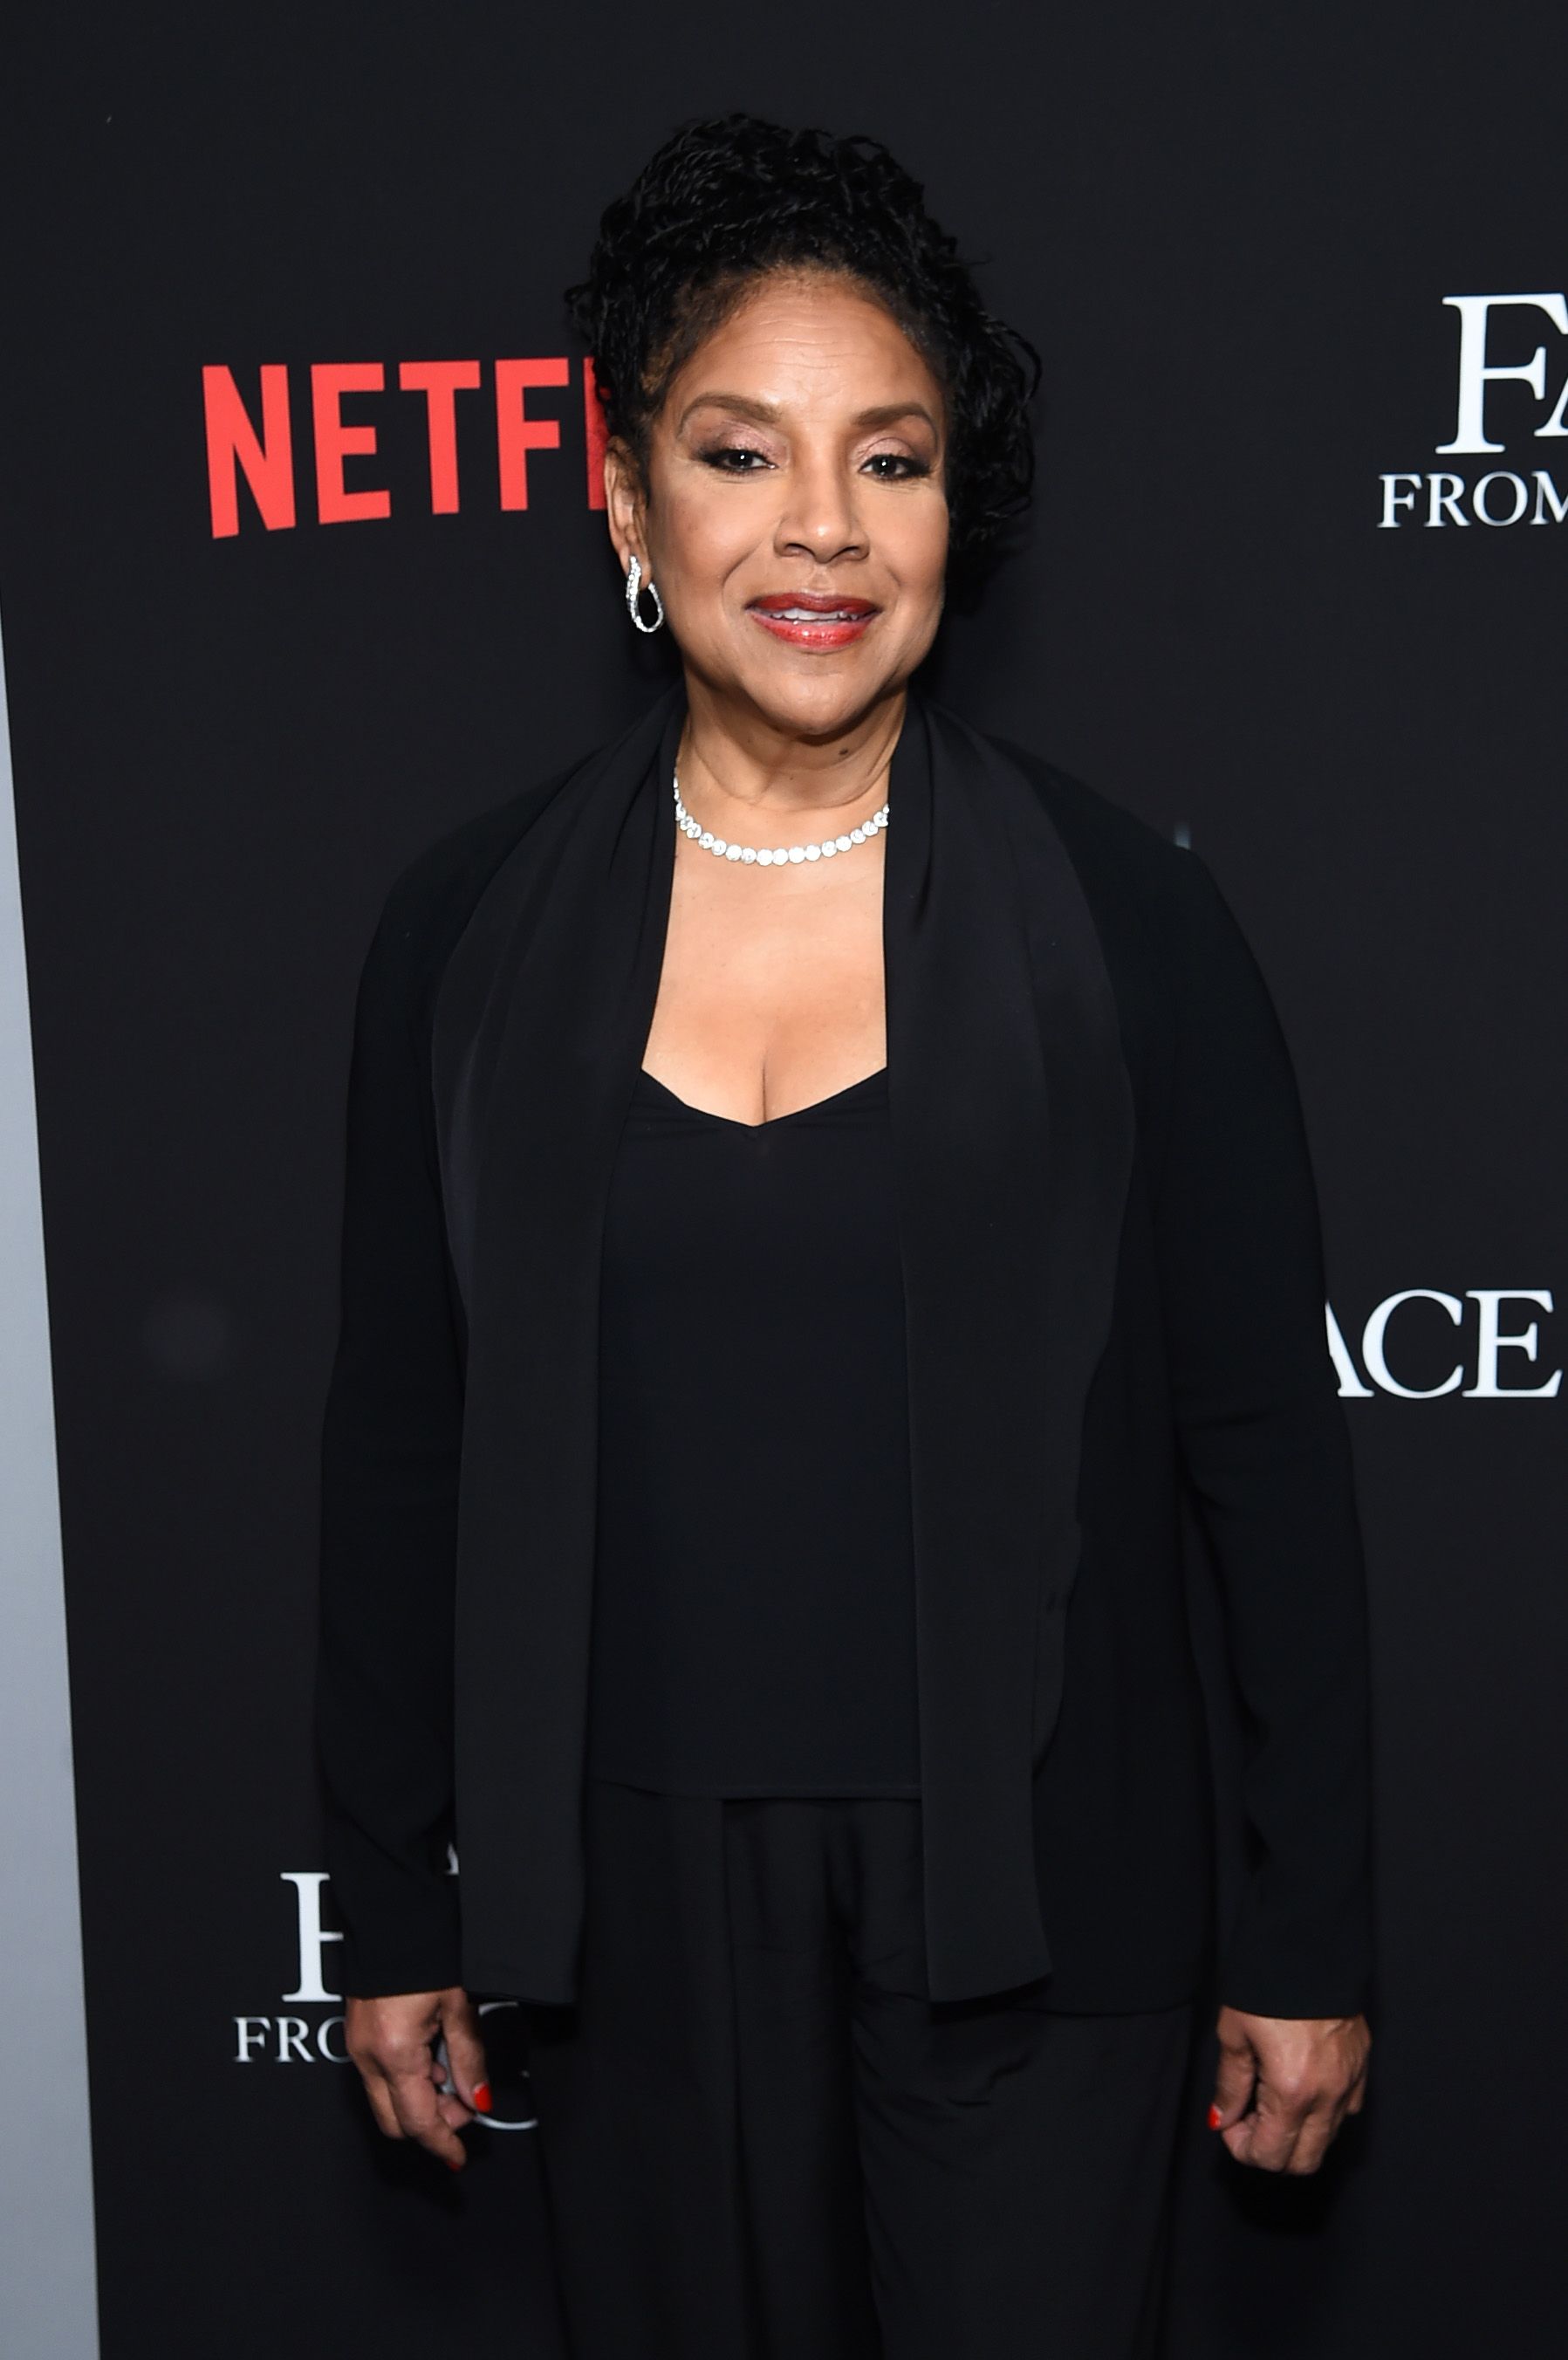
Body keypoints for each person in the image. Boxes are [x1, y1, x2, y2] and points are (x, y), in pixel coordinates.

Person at [315, 113, 1373, 2360]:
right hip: (623, 1926)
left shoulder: (1132, 926)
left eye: (888, 460)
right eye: (739, 452)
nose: (819, 525)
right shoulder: (463, 934)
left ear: (951, 513)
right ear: (626, 501)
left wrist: (1305, 1926)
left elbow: (1263, 1460)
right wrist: (397, 1891)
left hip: (1046, 1911)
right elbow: (400, 1447)